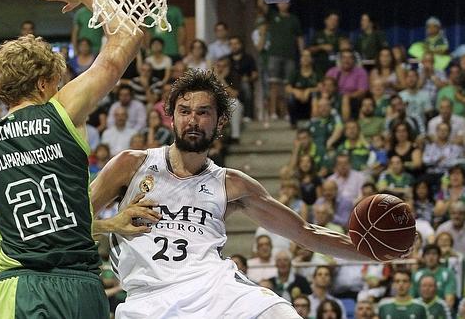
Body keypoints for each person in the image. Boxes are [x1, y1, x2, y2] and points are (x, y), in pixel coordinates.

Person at [90, 69, 371, 318]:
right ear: (172, 118)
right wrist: (110, 225)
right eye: (184, 111)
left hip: (215, 289)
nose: (193, 120)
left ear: (220, 121)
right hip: (148, 300)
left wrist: (376, 253)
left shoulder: (232, 184)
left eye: (203, 112)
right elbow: (63, 222)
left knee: (279, 312)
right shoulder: (131, 164)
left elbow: (305, 232)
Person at [0, 0, 155, 317]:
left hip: (18, 287)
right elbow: (129, 35)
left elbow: (32, 224)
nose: (60, 87)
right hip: (81, 288)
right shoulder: (62, 111)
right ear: (42, 84)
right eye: (56, 81)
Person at [411, 244, 457, 310]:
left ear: (439, 257)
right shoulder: (416, 274)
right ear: (423, 257)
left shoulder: (448, 273)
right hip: (420, 311)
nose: (431, 257)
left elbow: (450, 301)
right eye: (427, 254)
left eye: (434, 254)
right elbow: (411, 298)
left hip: (441, 311)